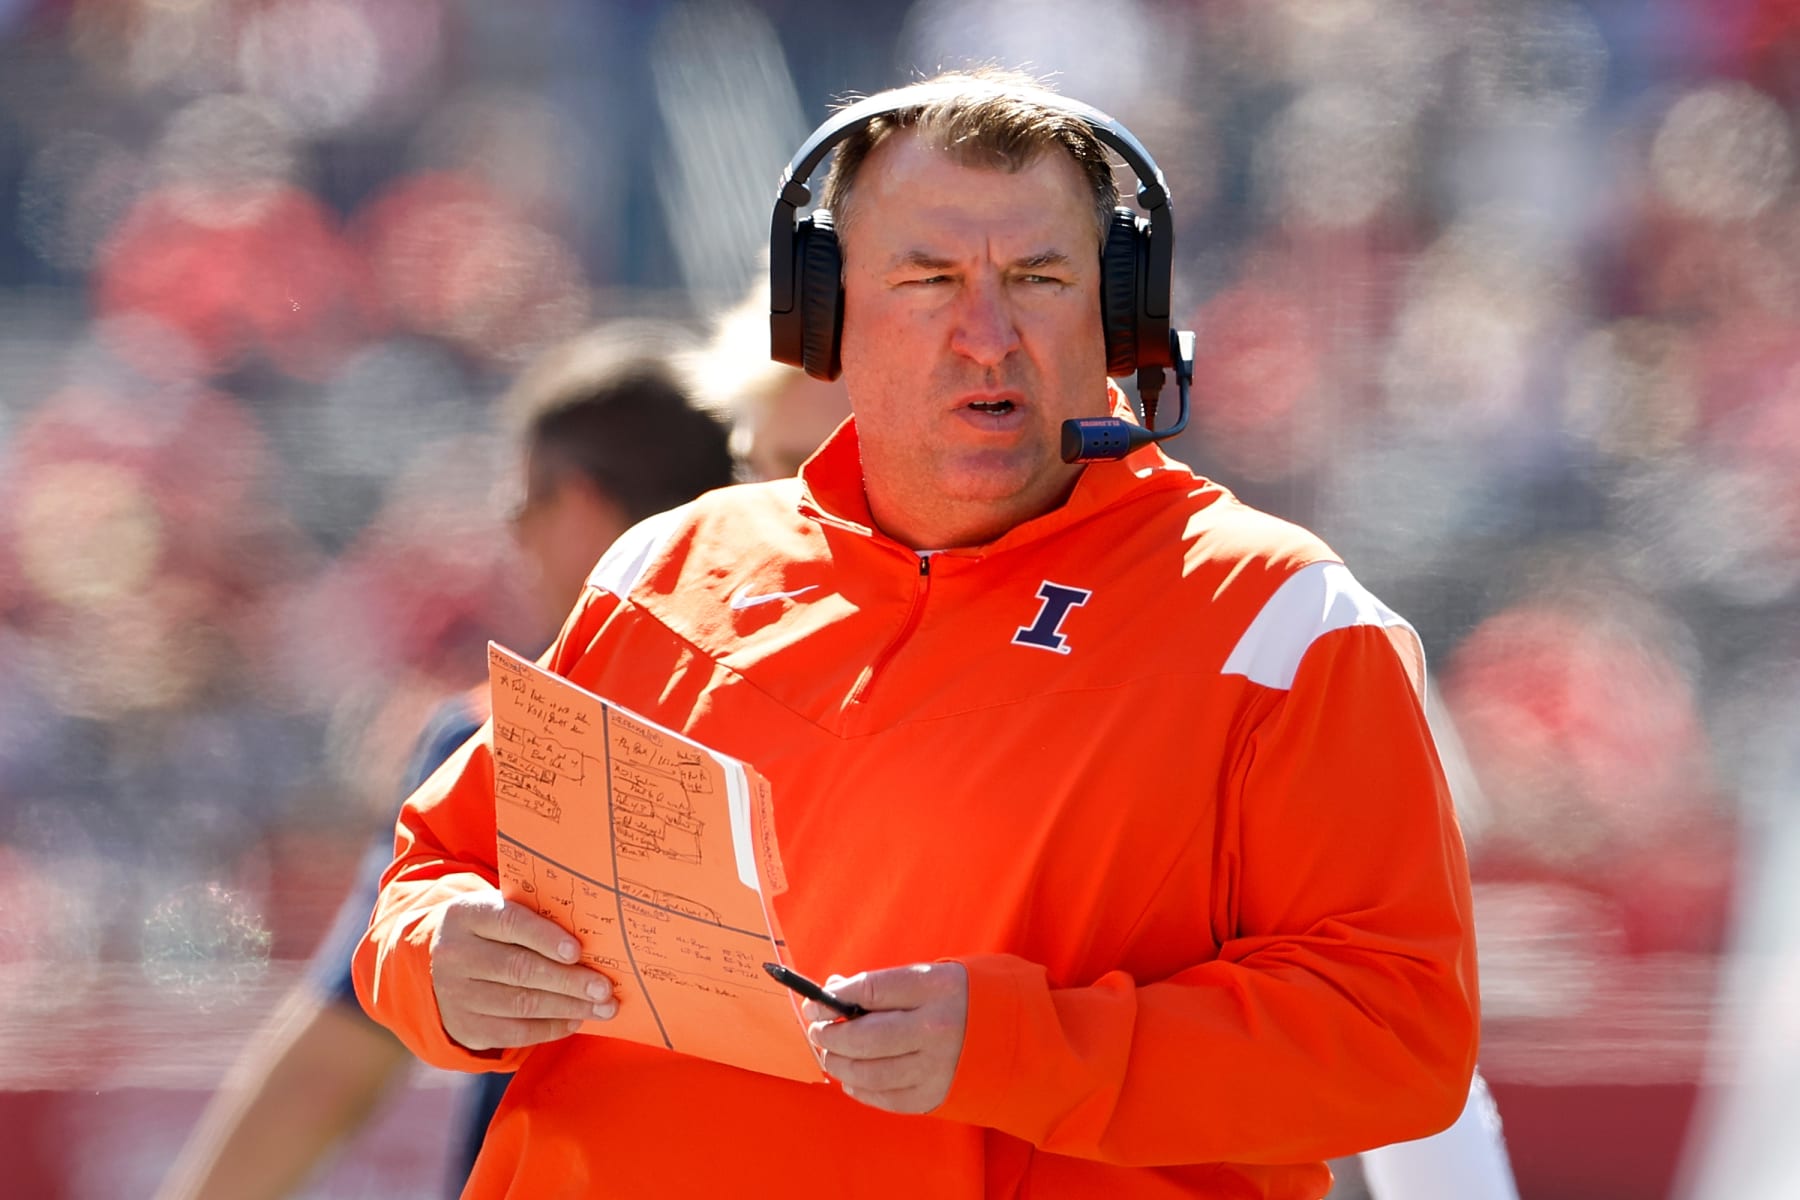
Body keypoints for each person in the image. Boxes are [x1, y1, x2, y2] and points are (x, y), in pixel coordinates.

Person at [354, 70, 1479, 1198]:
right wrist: (441, 960)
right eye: (928, 279)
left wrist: (1026, 1050)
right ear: (827, 319)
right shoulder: (671, 567)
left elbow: (1399, 1038)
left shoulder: (1279, 620)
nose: (985, 335)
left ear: (1121, 314)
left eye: (1037, 278)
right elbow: (435, 873)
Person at [154, 323, 736, 1200]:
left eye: (521, 506)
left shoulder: (496, 736)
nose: (512, 536)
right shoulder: (833, 718)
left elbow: (333, 1066)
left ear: (578, 507)